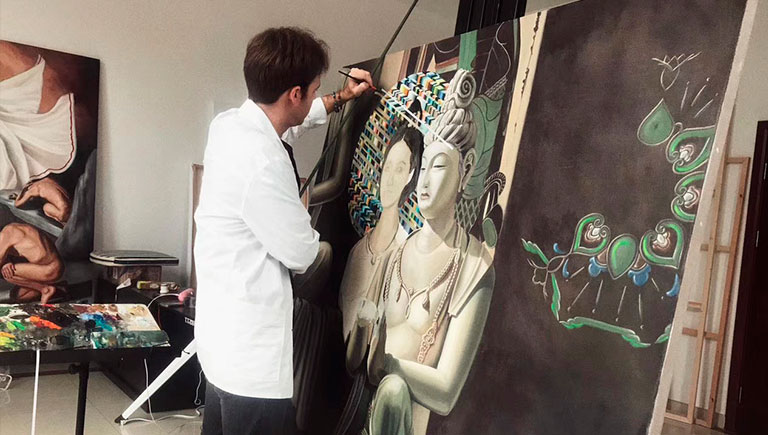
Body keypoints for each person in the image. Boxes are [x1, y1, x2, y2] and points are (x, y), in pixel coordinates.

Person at [193, 27, 373, 434]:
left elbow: (287, 127)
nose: (314, 96)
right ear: (294, 93)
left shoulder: (229, 125)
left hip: (222, 344)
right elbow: (303, 253)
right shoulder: (263, 163)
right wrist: (300, 206)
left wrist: (340, 98)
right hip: (251, 360)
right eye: (313, 91)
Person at [361, 70, 496, 435]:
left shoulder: (474, 266)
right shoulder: (395, 253)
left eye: (438, 167)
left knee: (393, 391)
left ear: (466, 170)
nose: (423, 181)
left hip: (408, 420)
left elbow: (447, 392)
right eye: (422, 167)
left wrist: (387, 364)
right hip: (363, 410)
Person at [340, 125, 423, 348]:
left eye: (400, 169)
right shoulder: (358, 251)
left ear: (410, 176)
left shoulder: (406, 255)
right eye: (388, 168)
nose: (390, 179)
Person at [0, 222, 64, 304]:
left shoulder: (6, 235)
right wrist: (7, 262)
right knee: (19, 296)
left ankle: (45, 289)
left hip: (50, 269)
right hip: (49, 268)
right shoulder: (12, 228)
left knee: (7, 273)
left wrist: (4, 263)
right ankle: (58, 288)